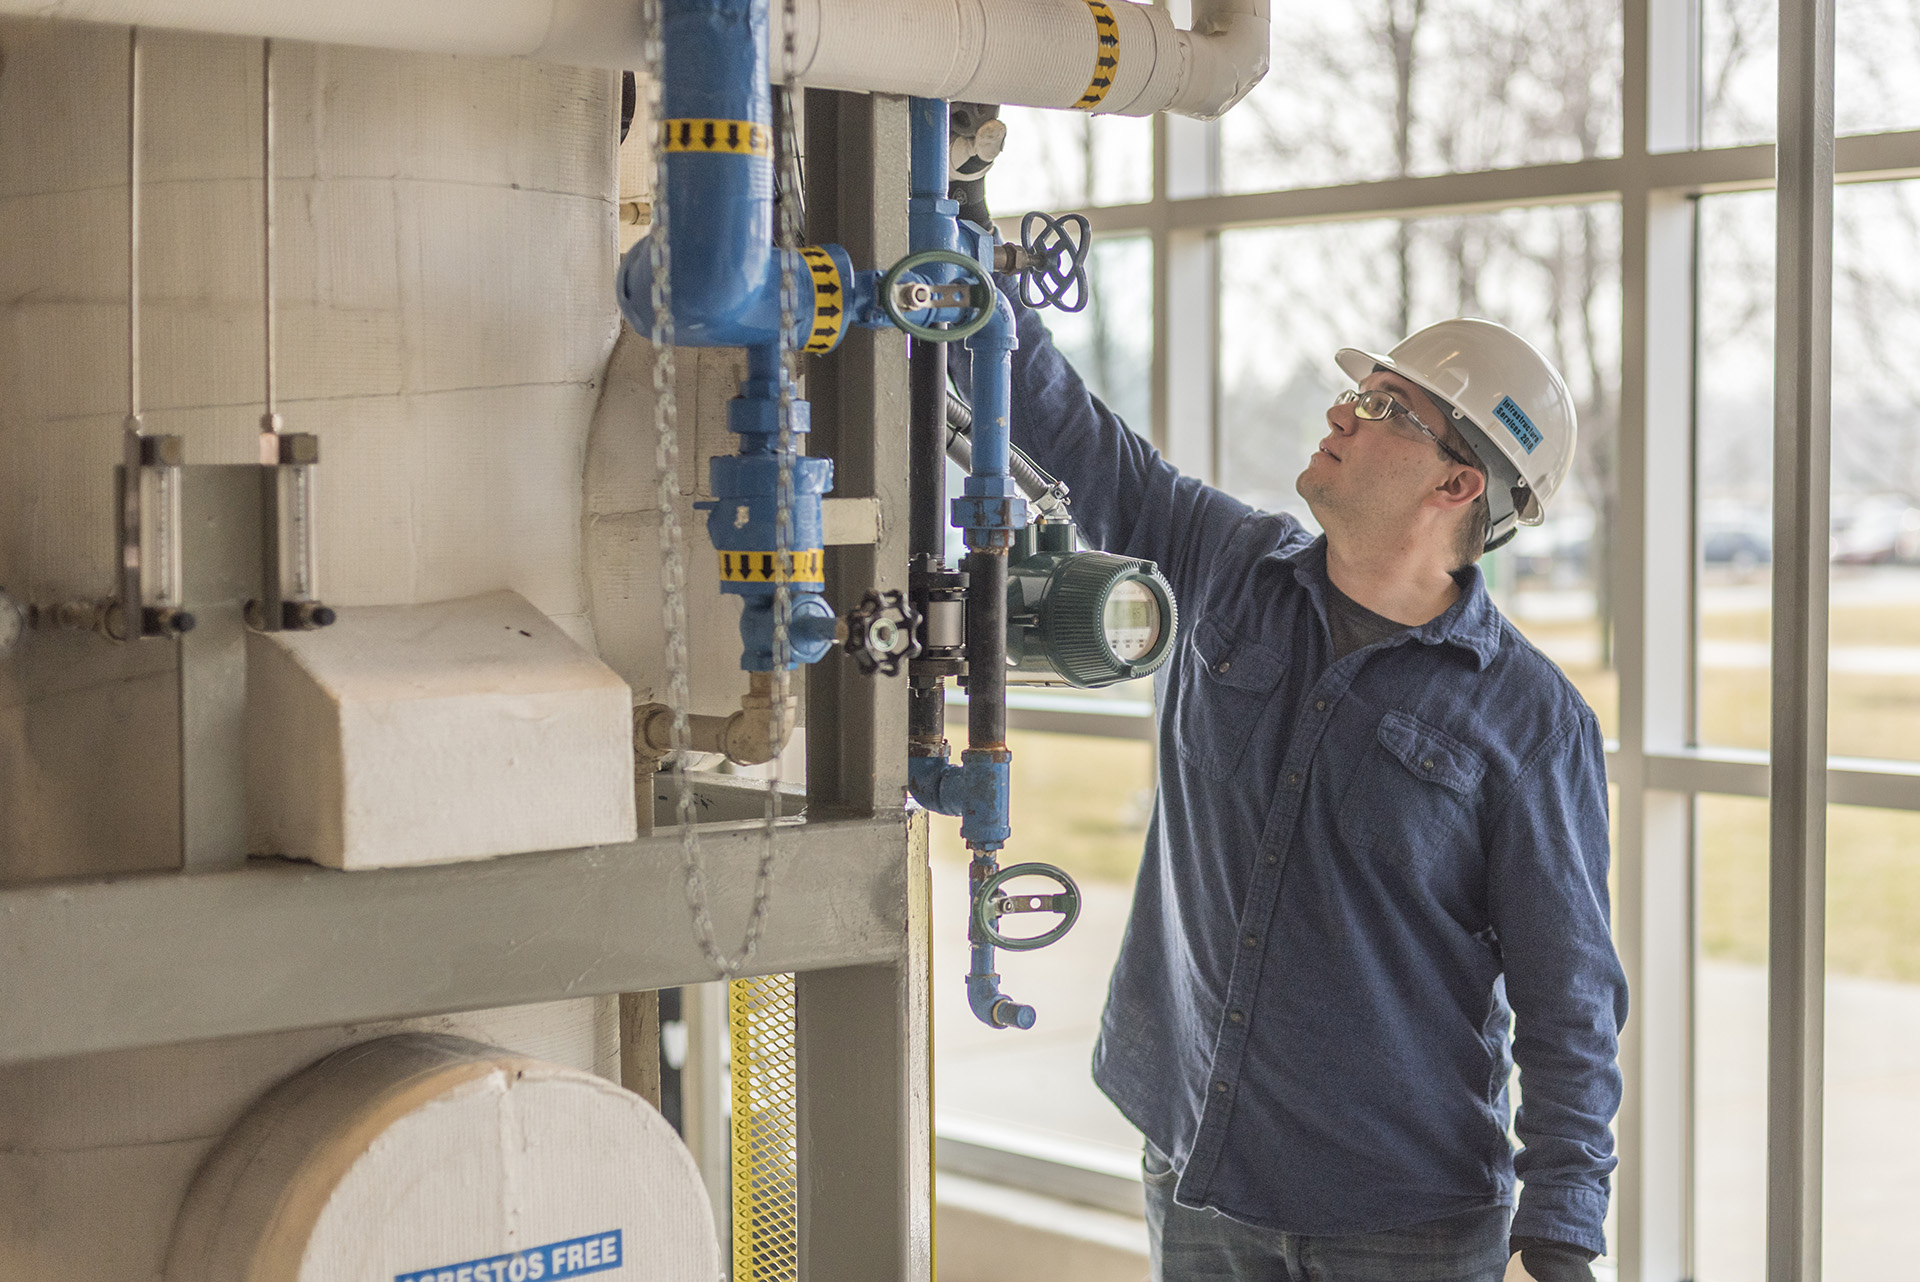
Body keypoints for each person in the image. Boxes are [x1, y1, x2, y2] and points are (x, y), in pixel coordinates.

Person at [959, 302, 1628, 1282]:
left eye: (1387, 407)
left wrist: (1561, 1236)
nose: (1342, 412)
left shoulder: (1532, 722)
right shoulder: (1227, 566)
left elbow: (1570, 1004)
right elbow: (1071, 430)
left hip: (1403, 1225)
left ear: (1457, 482)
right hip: (1197, 1165)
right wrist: (976, 260)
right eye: (1359, 391)